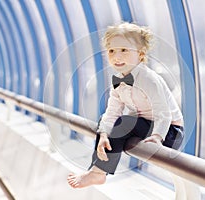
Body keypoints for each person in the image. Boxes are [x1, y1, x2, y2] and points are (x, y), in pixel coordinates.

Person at [67, 22, 184, 188]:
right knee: (106, 122)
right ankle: (97, 170)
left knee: (124, 122)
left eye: (124, 50)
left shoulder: (148, 79)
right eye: (111, 51)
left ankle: (98, 173)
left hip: (169, 132)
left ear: (141, 54)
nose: (117, 56)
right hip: (145, 124)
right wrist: (104, 135)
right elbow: (112, 112)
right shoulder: (118, 80)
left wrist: (157, 137)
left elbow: (163, 113)